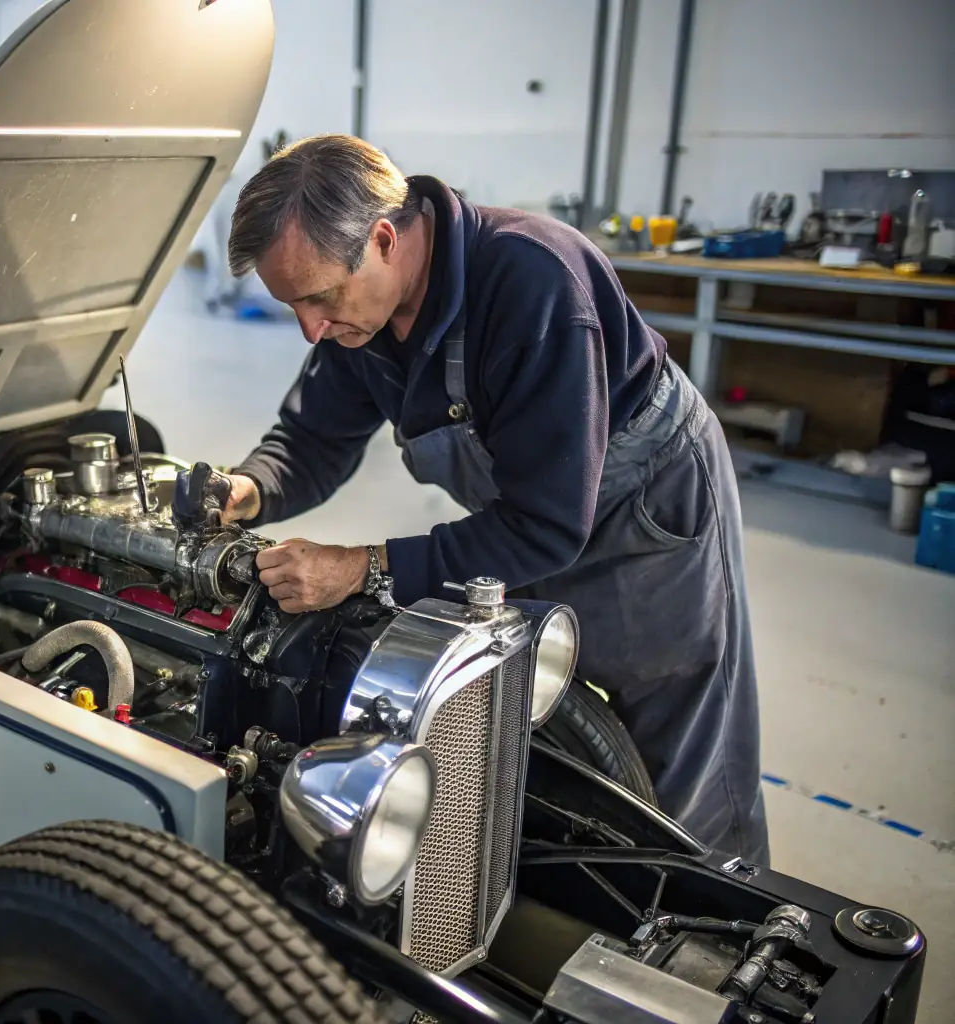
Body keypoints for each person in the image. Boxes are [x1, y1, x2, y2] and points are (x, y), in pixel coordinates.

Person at [212, 134, 769, 864]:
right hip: (527, 515)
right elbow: (311, 439)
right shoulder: (363, 319)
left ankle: (721, 937)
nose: (311, 328)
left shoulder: (534, 281)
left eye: (318, 298)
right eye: (292, 305)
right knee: (529, 728)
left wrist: (362, 565)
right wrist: (245, 488)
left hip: (643, 519)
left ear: (382, 239)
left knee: (681, 766)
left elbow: (544, 524)